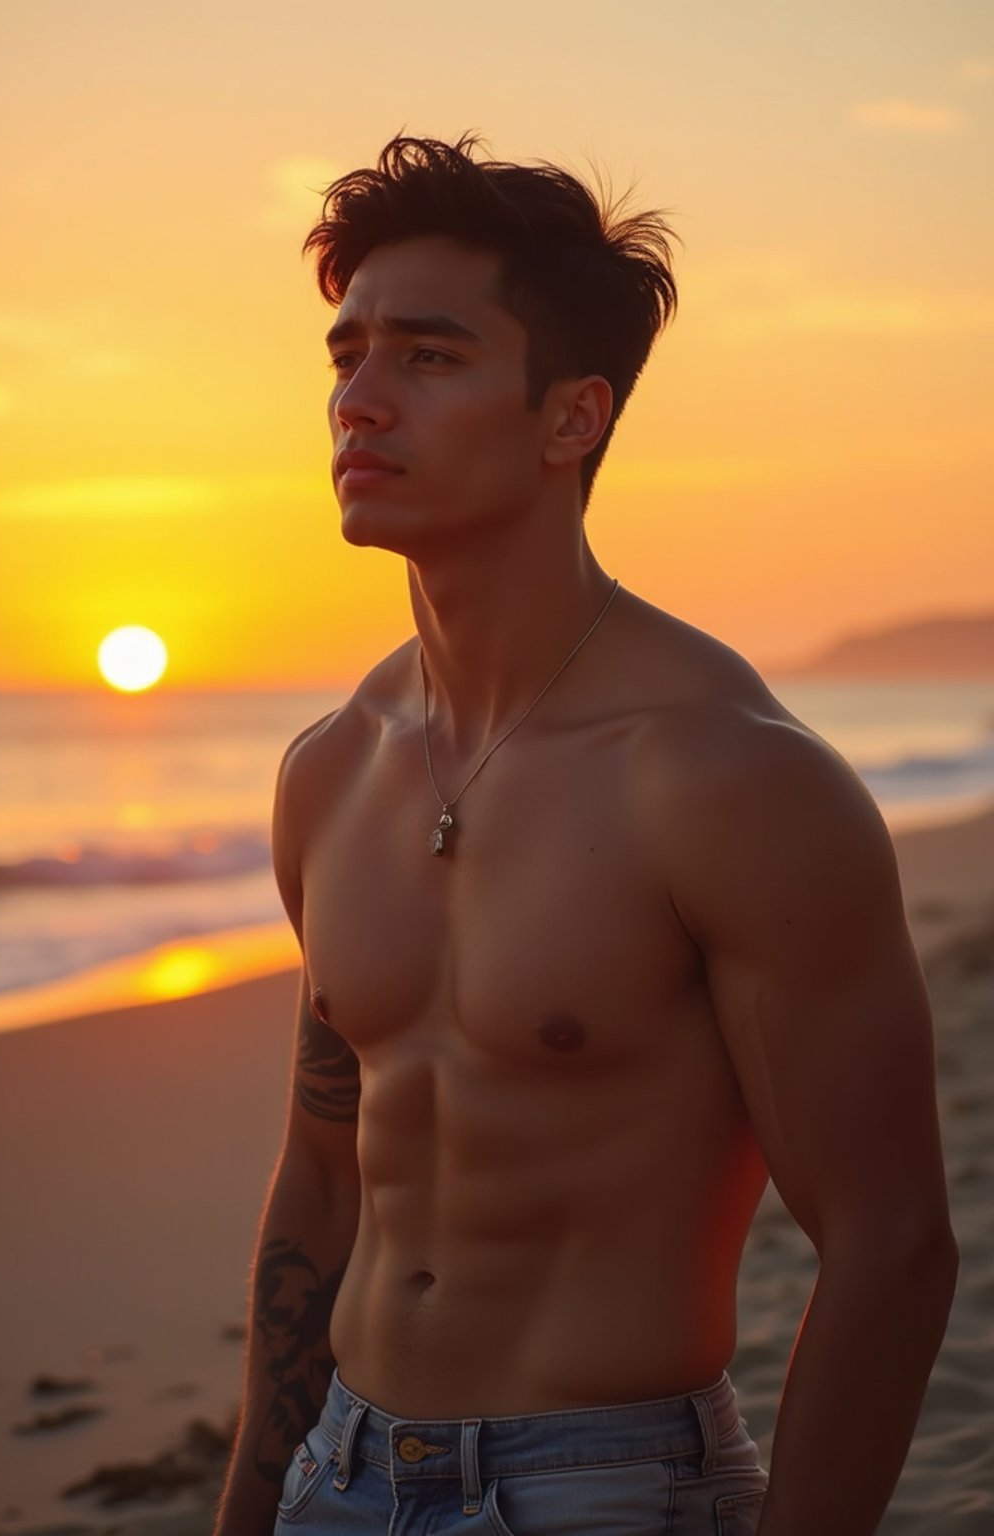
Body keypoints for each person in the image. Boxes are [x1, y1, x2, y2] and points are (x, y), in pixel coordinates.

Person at [214, 131, 957, 1536]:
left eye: (428, 358)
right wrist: (255, 1502)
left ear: (573, 419)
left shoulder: (725, 780)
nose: (359, 404)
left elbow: (890, 1246)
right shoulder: (331, 771)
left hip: (601, 1484)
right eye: (347, 355)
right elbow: (322, 1171)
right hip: (341, 1475)